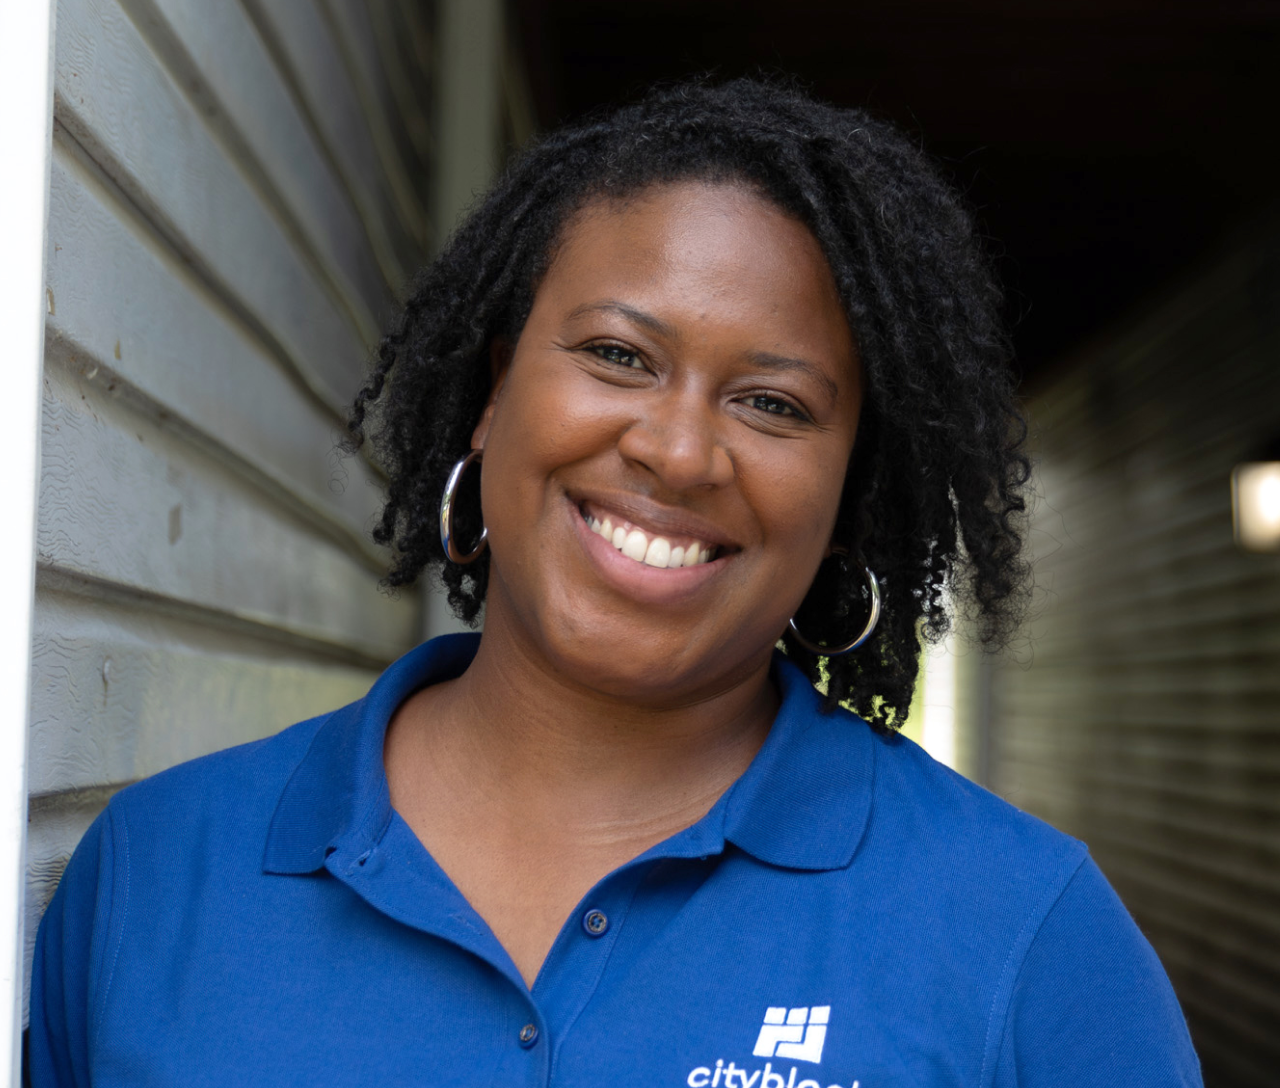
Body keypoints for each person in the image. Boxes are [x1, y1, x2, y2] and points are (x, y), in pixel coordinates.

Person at [27, 78, 1201, 1086]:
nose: (678, 451)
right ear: (493, 396)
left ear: (848, 499)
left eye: (772, 404)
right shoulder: (160, 874)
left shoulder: (1022, 938)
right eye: (617, 355)